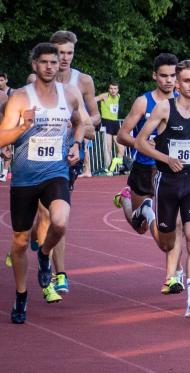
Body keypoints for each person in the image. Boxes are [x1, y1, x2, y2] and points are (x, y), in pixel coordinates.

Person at [1, 43, 86, 323]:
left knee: (60, 221)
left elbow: (79, 122)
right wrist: (23, 128)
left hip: (55, 173)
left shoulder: (70, 94)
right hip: (25, 178)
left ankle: (46, 254)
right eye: (44, 62)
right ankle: (22, 295)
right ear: (34, 65)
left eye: (54, 61)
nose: (50, 66)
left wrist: (75, 144)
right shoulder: (20, 98)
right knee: (20, 240)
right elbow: (2, 139)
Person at [133, 59, 190, 319]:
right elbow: (139, 142)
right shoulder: (163, 109)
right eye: (187, 81)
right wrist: (166, 158)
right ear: (178, 84)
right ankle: (148, 212)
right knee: (168, 241)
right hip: (167, 181)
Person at [28, 30, 101, 295]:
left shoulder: (83, 82)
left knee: (56, 215)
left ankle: (57, 271)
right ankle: (55, 269)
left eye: (70, 53)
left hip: (67, 153)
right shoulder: (34, 81)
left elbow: (95, 118)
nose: (65, 58)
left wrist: (78, 126)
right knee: (44, 213)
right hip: (38, 153)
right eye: (60, 53)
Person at [115, 53, 186, 295]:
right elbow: (122, 135)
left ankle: (174, 272)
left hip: (169, 170)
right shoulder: (143, 102)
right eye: (163, 76)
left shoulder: (183, 101)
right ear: (155, 75)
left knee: (171, 225)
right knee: (142, 227)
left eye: (172, 76)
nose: (168, 80)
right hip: (144, 168)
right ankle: (127, 199)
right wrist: (143, 142)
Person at [96, 82, 125, 174]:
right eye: (111, 88)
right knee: (107, 148)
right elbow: (92, 100)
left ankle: (120, 167)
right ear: (109, 89)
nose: (113, 90)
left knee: (121, 148)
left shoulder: (118, 96)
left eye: (115, 88)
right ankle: (108, 169)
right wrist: (96, 114)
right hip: (106, 122)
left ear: (118, 90)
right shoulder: (105, 96)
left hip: (115, 123)